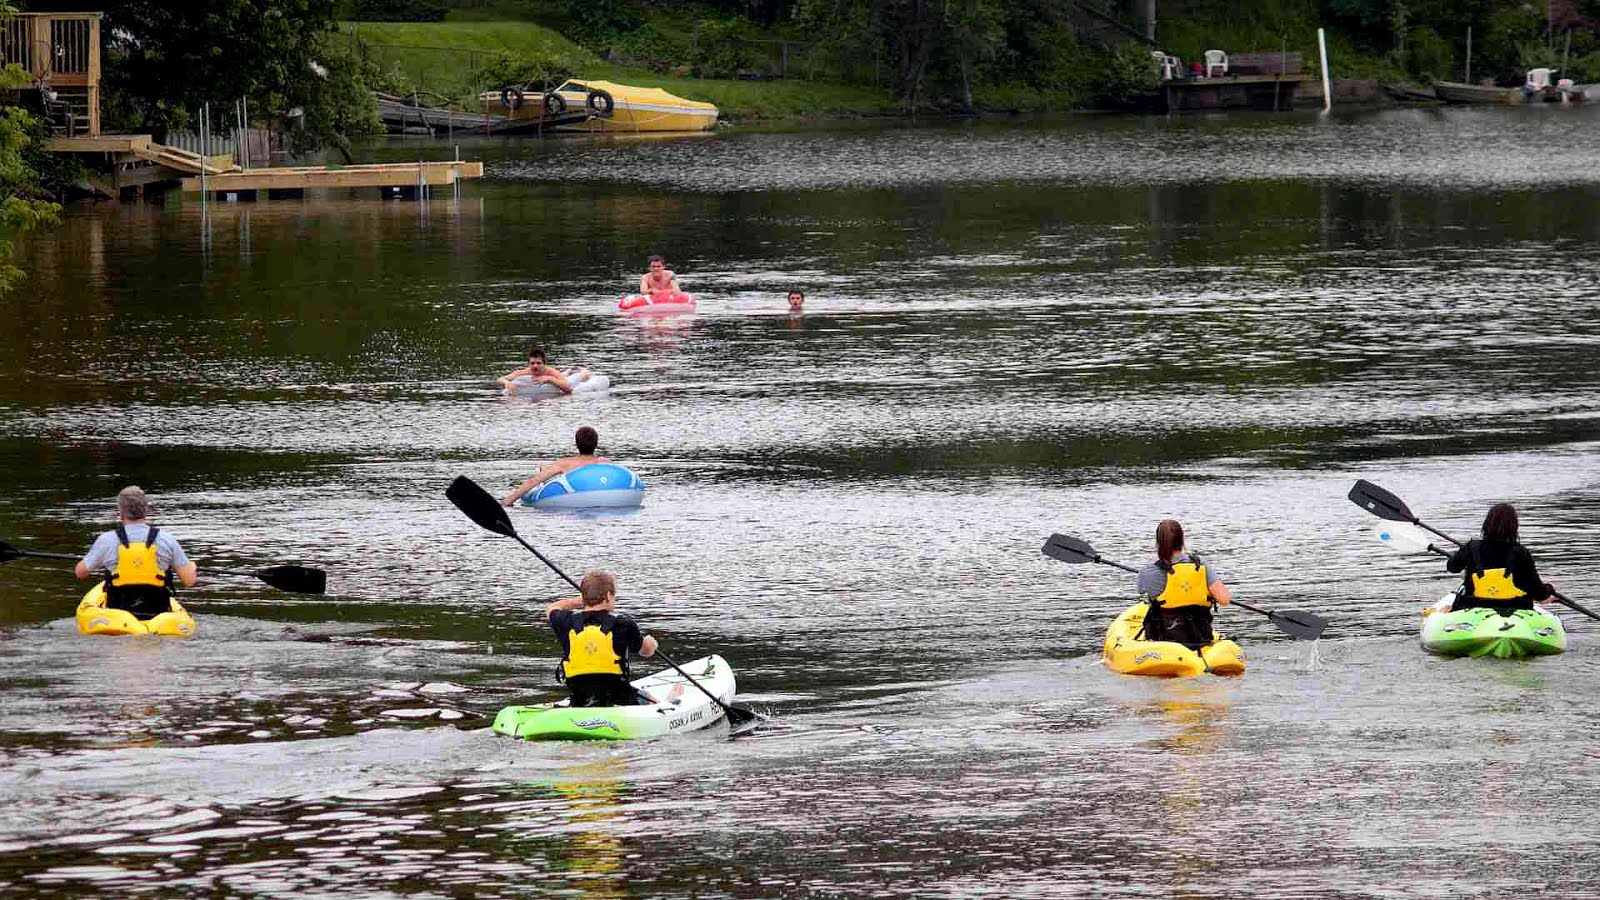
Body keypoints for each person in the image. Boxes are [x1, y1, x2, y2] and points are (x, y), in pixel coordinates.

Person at [74, 486, 199, 619]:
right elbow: (189, 581)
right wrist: (192, 566)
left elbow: (80, 573)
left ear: (121, 513)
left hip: (118, 616)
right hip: (157, 615)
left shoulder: (106, 540)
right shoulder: (167, 540)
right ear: (146, 511)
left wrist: (100, 560)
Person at [547, 570, 660, 707]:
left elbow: (552, 608)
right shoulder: (623, 623)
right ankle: (671, 698)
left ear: (584, 597)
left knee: (583, 695)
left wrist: (579, 600)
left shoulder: (566, 621)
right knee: (653, 700)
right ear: (608, 595)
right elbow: (645, 651)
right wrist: (651, 643)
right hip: (618, 698)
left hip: (580, 697)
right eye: (614, 596)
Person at [1135, 519, 1232, 649]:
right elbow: (1225, 600)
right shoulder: (1201, 566)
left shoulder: (1147, 571)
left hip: (1164, 641)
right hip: (1201, 637)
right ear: (1182, 540)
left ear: (1158, 542)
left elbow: (1143, 596)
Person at [1444, 503, 1554, 612]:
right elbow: (1538, 593)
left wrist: (1462, 558)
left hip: (1475, 606)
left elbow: (1452, 567)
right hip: (1516, 607)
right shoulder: (1521, 553)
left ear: (1486, 524)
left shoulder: (1472, 547)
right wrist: (1549, 589)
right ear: (1514, 526)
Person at [501, 425, 611, 506]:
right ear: (596, 444)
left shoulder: (565, 463)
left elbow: (534, 481)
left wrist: (509, 500)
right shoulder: (606, 463)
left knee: (542, 478)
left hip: (571, 500)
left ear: (576, 444)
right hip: (605, 498)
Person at [497, 347, 590, 394]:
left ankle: (583, 371)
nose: (535, 366)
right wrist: (506, 383)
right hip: (556, 377)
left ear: (544, 364)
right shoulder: (525, 372)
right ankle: (567, 371)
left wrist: (550, 379)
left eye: (538, 363)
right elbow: (500, 379)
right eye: (532, 363)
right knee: (563, 375)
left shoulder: (550, 372)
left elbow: (569, 388)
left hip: (554, 377)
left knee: (581, 376)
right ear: (528, 364)